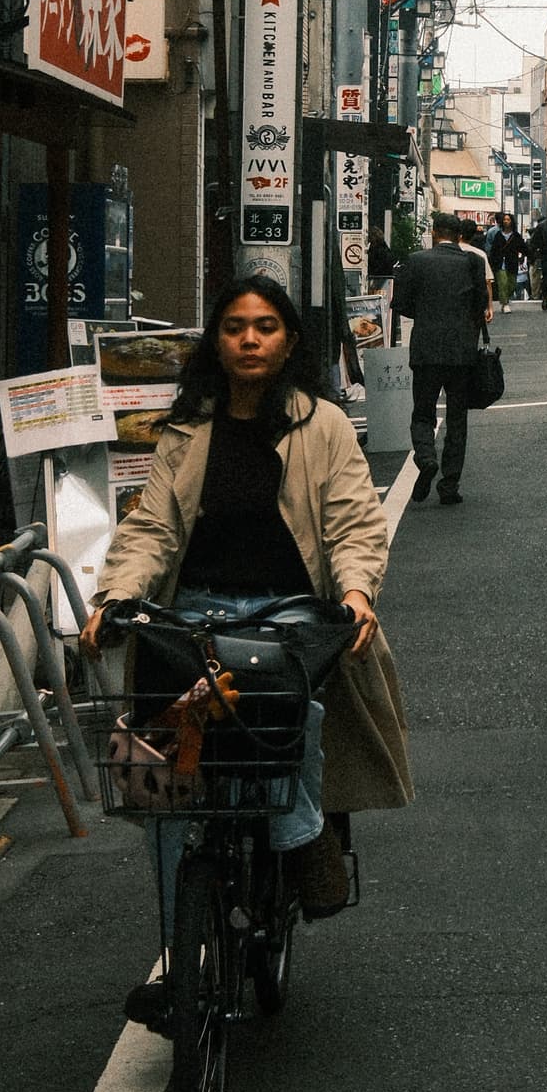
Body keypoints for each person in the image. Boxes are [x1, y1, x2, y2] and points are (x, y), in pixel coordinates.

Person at [84, 273, 410, 929]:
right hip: (195, 610)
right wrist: (115, 597)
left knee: (293, 709)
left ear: (289, 342)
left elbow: (353, 523)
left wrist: (355, 595)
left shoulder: (324, 427)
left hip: (286, 610)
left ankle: (303, 839)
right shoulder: (190, 429)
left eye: (265, 327)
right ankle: (181, 941)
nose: (250, 340)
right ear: (218, 342)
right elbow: (152, 526)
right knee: (163, 755)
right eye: (235, 328)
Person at [391, 210, 491, 503]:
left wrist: (426, 313)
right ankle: (449, 486)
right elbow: (481, 306)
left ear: (435, 233)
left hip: (426, 349)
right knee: (457, 418)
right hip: (461, 351)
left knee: (423, 412)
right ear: (459, 236)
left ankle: (426, 457)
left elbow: (401, 304)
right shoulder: (473, 261)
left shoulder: (416, 261)